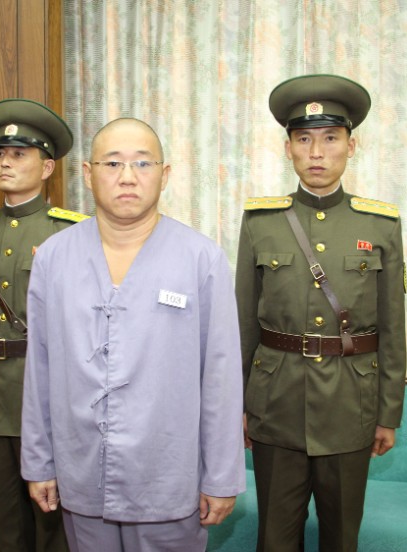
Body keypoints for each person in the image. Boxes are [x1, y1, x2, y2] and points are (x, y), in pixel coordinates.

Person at [20, 117, 246, 552]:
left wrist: (220, 476)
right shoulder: (53, 259)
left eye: (143, 163)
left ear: (165, 175)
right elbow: (39, 371)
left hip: (168, 480)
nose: (127, 177)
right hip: (81, 473)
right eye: (112, 163)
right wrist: (38, 462)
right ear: (87, 174)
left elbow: (220, 377)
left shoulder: (201, 259)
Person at [235, 74, 407, 552]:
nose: (316, 152)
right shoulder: (260, 222)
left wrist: (387, 412)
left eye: (330, 138)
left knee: (341, 538)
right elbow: (244, 322)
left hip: (351, 404)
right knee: (274, 538)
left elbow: (393, 326)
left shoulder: (381, 224)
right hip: (276, 403)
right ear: (287, 147)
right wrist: (239, 404)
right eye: (304, 139)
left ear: (352, 146)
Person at [0, 98, 86, 552]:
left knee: (51, 516)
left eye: (19, 154)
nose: (5, 162)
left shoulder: (70, 233)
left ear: (47, 168)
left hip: (45, 392)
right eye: (0, 153)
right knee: (5, 513)